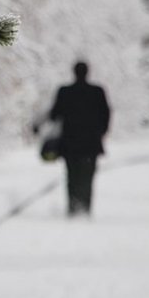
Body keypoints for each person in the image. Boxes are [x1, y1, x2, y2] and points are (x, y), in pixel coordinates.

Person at [46, 61, 110, 217]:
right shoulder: (97, 91)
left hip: (70, 143)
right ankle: (85, 207)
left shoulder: (64, 91)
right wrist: (100, 132)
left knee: (72, 175)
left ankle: (73, 207)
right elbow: (106, 114)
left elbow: (54, 114)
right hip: (91, 143)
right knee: (88, 176)